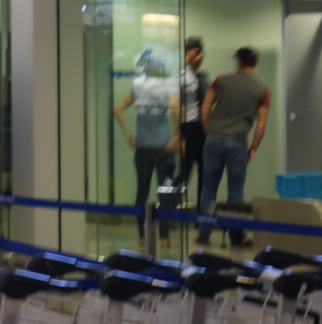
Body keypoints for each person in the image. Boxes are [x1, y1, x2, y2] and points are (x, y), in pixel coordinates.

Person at [197, 47, 272, 248]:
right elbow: (262, 124)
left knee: (208, 188)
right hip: (238, 143)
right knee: (236, 190)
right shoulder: (262, 90)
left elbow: (205, 109)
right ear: (254, 64)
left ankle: (203, 234)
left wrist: (208, 130)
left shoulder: (220, 80)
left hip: (214, 139)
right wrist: (253, 148)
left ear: (239, 62)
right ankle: (236, 237)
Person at [113, 57, 179, 244]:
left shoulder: (138, 90)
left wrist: (128, 134)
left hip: (143, 148)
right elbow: (176, 110)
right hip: (164, 147)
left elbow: (117, 109)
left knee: (142, 191)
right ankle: (164, 237)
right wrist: (176, 135)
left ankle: (142, 236)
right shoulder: (167, 90)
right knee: (165, 192)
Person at [176, 37, 209, 196]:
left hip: (201, 129)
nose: (200, 57)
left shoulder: (202, 77)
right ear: (186, 53)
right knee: (184, 174)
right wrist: (180, 137)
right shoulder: (180, 77)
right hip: (187, 128)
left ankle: (201, 211)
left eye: (201, 52)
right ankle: (169, 206)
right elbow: (176, 108)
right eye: (196, 52)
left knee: (204, 173)